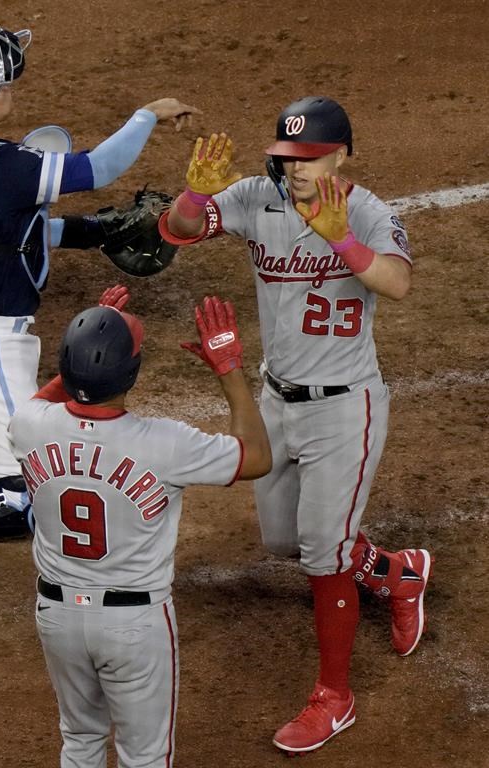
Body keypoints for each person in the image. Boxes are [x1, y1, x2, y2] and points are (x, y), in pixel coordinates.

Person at [159, 96, 434, 755]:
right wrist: (195, 197)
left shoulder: (367, 211)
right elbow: (178, 228)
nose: (297, 171)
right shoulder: (259, 197)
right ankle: (398, 573)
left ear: (342, 155)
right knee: (285, 541)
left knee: (322, 551)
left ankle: (334, 699)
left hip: (345, 407)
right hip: (278, 400)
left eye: (310, 159)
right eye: (288, 158)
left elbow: (396, 283)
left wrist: (342, 238)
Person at [0, 23, 197, 538]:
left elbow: (7, 234)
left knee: (4, 467)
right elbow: (98, 167)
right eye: (0, 87)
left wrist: (92, 232)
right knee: (25, 502)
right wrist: (147, 115)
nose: (10, 91)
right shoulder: (2, 167)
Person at [7, 285, 272, 768]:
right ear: (132, 373)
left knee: (80, 740)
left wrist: (93, 341)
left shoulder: (29, 425)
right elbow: (256, 457)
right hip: (134, 625)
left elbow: (50, 396)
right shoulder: (165, 444)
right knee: (145, 756)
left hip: (58, 617)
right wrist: (229, 368)